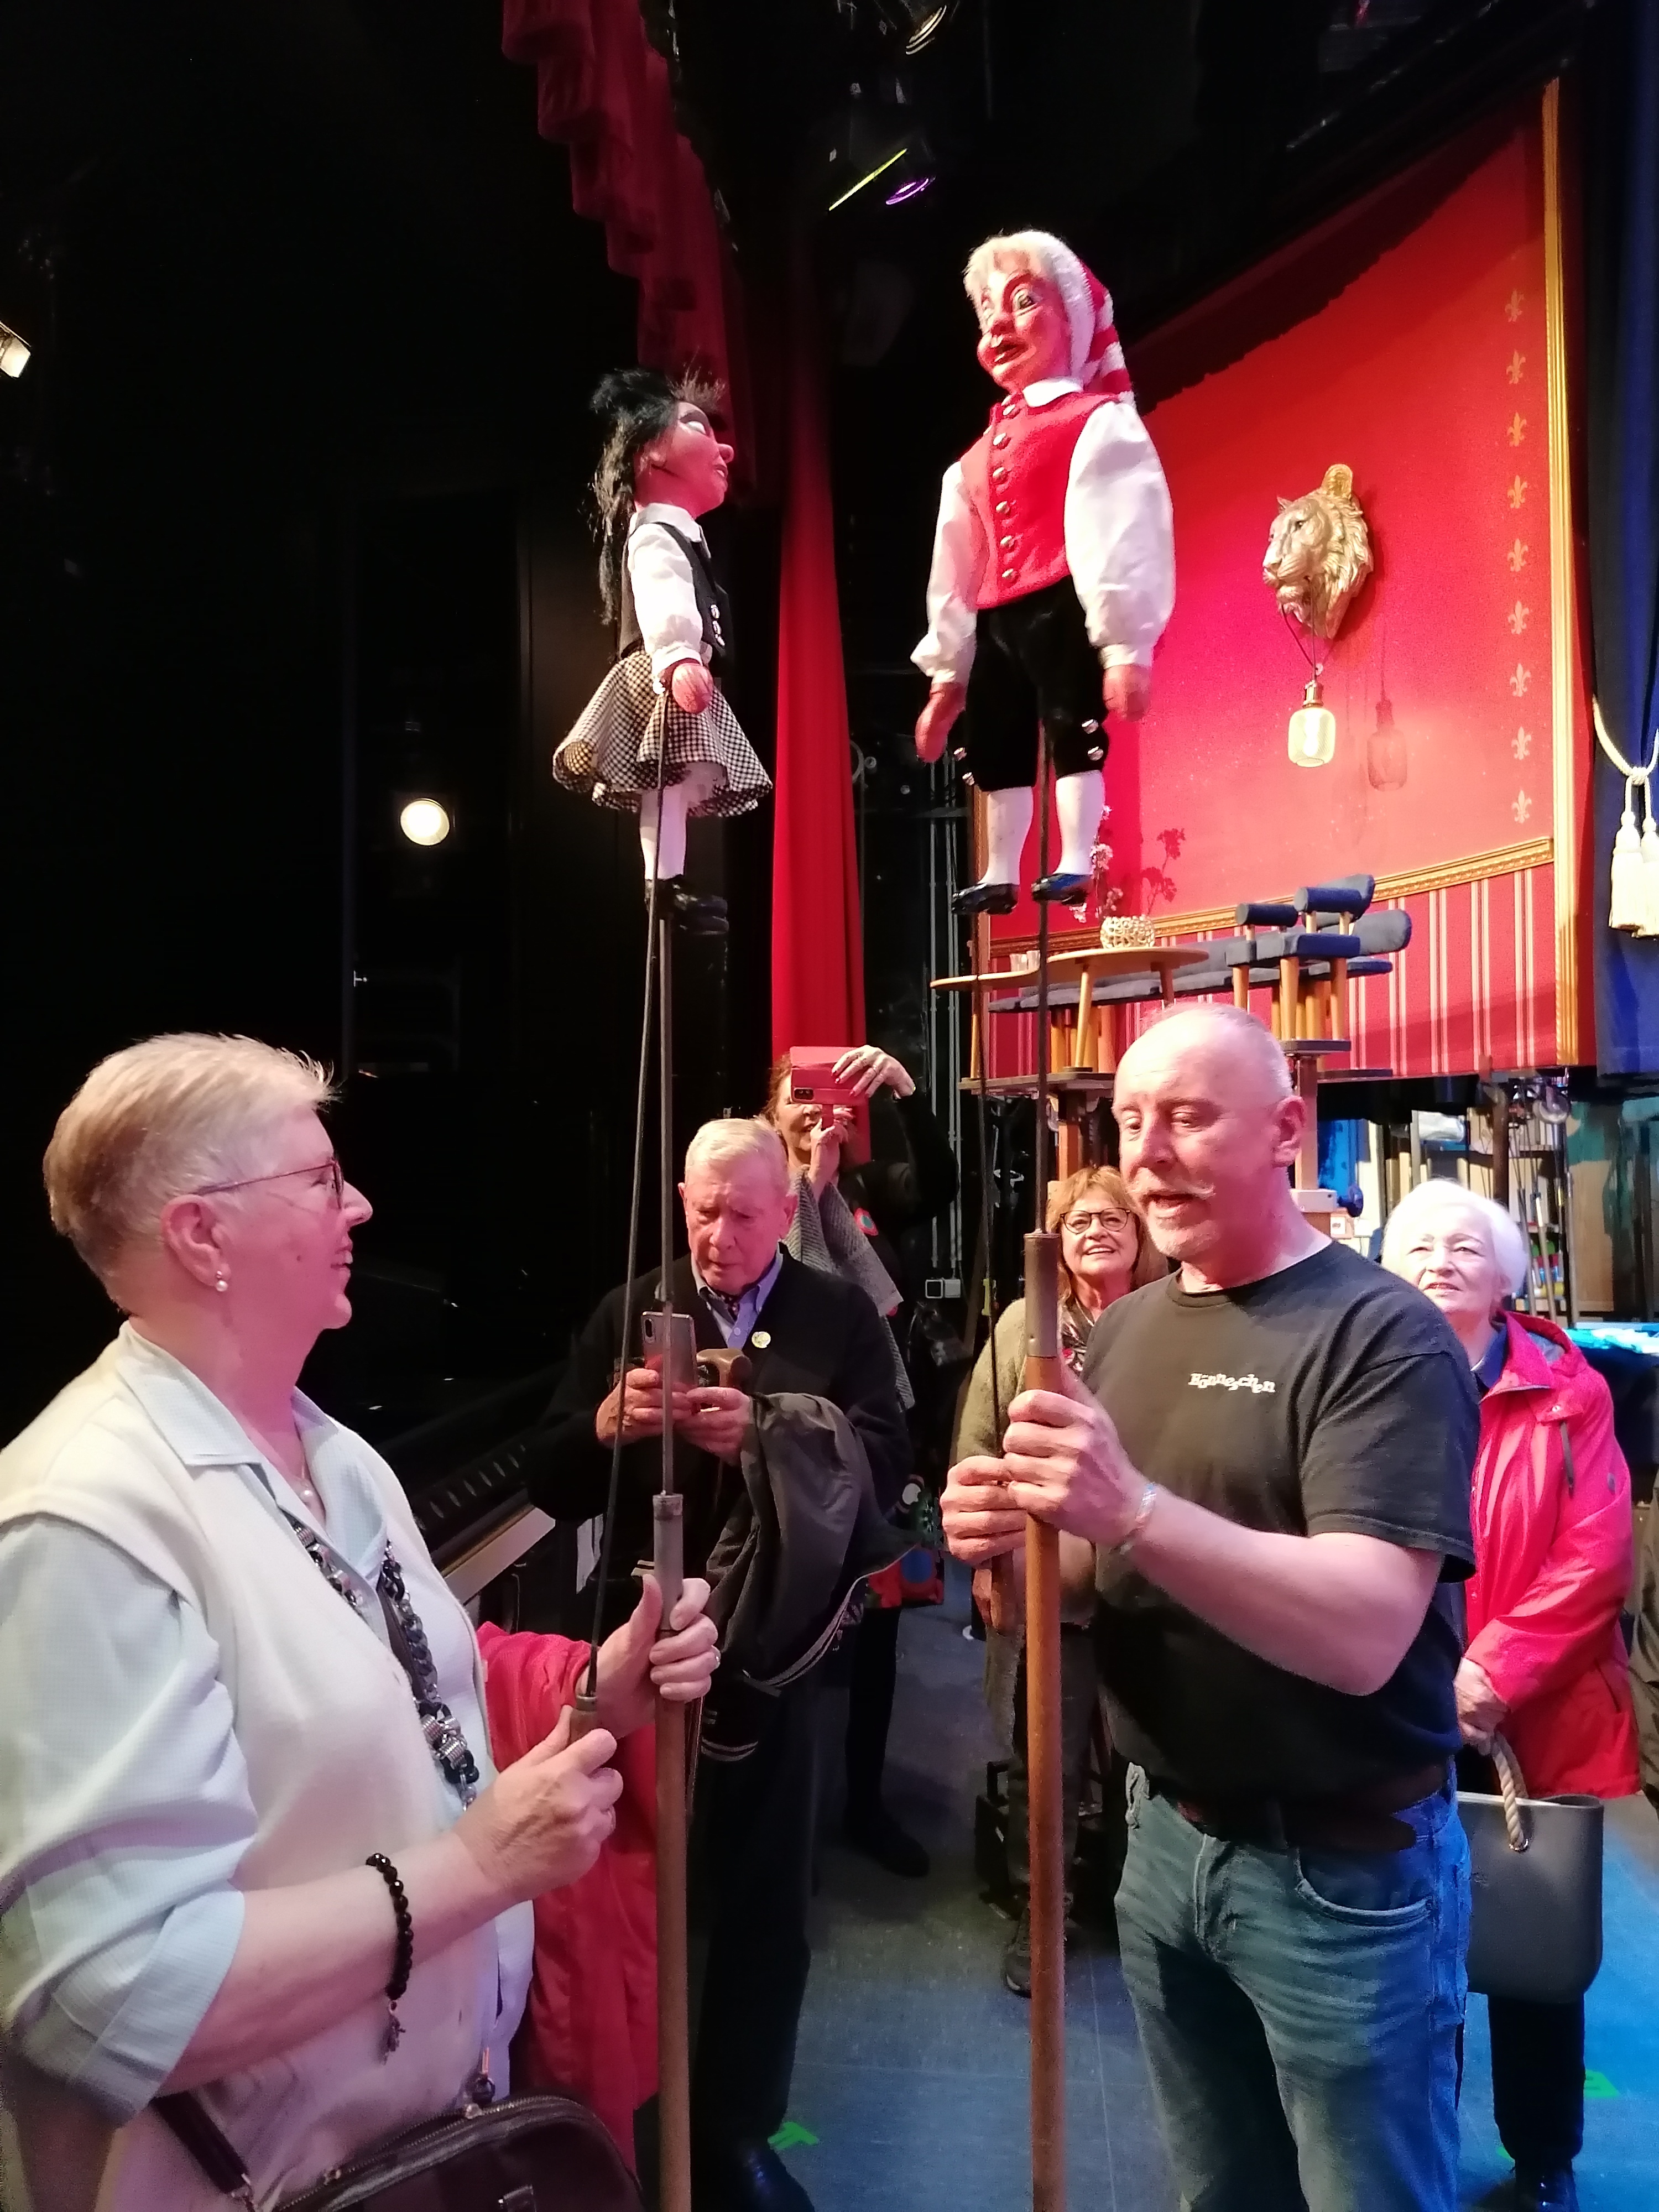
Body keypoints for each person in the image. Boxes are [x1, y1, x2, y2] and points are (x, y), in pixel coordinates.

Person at [0, 1034, 720, 2212]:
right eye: (321, 1179)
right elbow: (117, 1994)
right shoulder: (85, 1519)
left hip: (420, 2153)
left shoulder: (336, 1457)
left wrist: (600, 1696)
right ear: (202, 1234)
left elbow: (404, 1746)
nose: (360, 1205)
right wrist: (478, 1869)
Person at [942, 1004, 1480, 2212]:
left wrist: (1130, 1506)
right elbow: (1091, 1585)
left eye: (1187, 1117)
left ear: (1286, 1130)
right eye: (1131, 1121)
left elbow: (1365, 1633)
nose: (1148, 1154)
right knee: (1220, 2191)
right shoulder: (1128, 1328)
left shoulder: (1380, 1335)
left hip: (1341, 1875)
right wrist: (1014, 1547)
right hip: (1163, 1841)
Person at [524, 1117, 910, 2212]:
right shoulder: (633, 1310)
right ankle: (622, 2122)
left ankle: (737, 2130)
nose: (718, 1234)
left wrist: (769, 1432)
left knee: (765, 1902)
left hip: (777, 1654)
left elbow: (890, 1468)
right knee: (625, 1888)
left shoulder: (838, 1311)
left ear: (787, 1211)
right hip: (641, 1646)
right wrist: (604, 1424)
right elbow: (550, 1478)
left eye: (743, 1213)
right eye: (702, 1210)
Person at [1383, 1179, 1638, 2212]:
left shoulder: (1573, 1393)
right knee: (1409, 1946)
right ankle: (1420, 2156)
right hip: (1397, 1697)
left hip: (1535, 1711)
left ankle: (1543, 2161)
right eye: (1418, 1246)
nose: (1439, 1261)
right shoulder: (1368, 1373)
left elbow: (1598, 1553)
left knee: (1532, 1950)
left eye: (1463, 1245)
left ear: (1507, 1276)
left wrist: (1492, 1671)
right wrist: (1426, 1672)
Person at [912, 228, 1175, 912]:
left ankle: (1075, 858)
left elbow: (1121, 532)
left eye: (1024, 302)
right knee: (996, 742)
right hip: (996, 618)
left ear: (1071, 319)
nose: (1000, 324)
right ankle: (1000, 868)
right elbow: (954, 566)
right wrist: (948, 675)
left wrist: (1126, 646)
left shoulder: (1096, 423)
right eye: (988, 311)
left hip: (1060, 603)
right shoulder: (970, 462)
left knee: (1069, 728)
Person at [952, 1164, 1161, 1995]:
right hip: (1053, 1575)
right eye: (1078, 1221)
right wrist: (988, 1556)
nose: (1096, 1231)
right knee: (1047, 1759)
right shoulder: (1023, 1325)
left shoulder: (1168, 1318)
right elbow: (978, 1443)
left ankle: (1142, 1914)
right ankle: (1041, 1917)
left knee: (1149, 1756)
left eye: (1112, 1218)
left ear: (1140, 1233)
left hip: (1153, 1576)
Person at [763, 1043, 959, 1879]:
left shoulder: (868, 1190)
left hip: (882, 1440)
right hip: (796, 1449)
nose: (813, 1111)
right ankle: (778, 1817)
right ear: (771, 1112)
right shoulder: (762, 1197)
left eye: (826, 1097)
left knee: (880, 1637)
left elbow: (942, 1185)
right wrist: (807, 1183)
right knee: (787, 1629)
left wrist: (908, 1092)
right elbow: (794, 1283)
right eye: (798, 1096)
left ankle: (868, 1803)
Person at [553, 368, 771, 932]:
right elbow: (662, 594)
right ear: (651, 453)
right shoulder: (655, 534)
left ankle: (669, 881)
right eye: (697, 427)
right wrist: (677, 656)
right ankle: (663, 884)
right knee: (664, 783)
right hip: (660, 677)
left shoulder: (682, 534)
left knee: (672, 785)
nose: (724, 449)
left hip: (679, 674)